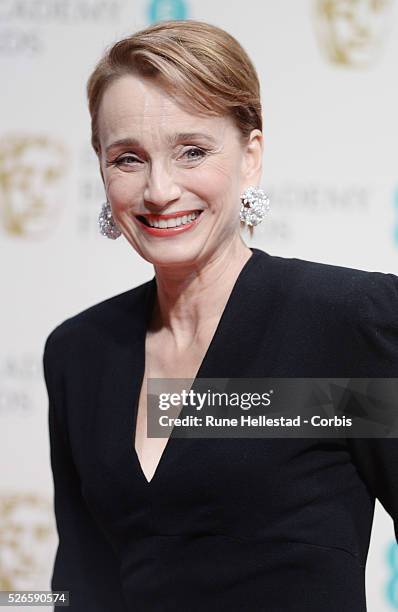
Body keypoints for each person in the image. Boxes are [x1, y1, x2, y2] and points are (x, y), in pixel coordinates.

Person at [42, 19, 398, 612]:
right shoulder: (81, 352)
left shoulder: (346, 324)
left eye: (192, 151)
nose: (159, 190)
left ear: (250, 156)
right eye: (128, 158)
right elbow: (78, 586)